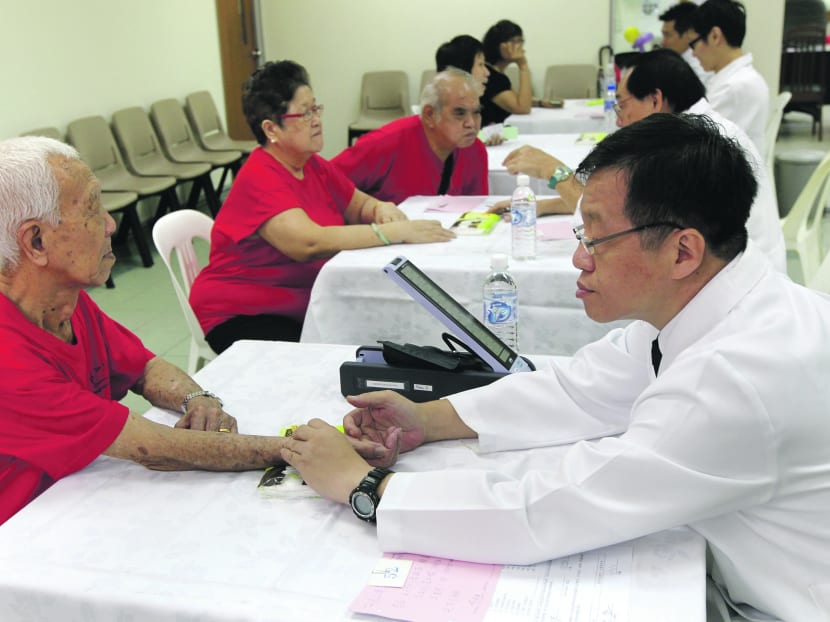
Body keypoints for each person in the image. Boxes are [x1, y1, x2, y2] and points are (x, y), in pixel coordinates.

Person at [280, 114, 830, 622]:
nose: (578, 257)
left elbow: (550, 510)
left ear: (683, 252)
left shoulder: (735, 379)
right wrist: (431, 417)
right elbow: (583, 389)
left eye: (596, 237)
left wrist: (367, 487)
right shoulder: (720, 301)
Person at [0, 136, 390, 525]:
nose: (109, 223)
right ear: (36, 241)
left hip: (73, 493)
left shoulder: (62, 299)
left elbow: (143, 367)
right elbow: (153, 446)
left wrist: (197, 398)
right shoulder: (9, 356)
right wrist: (302, 451)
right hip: (24, 530)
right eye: (90, 209)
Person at [189, 61, 454, 354]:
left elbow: (358, 203)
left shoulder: (311, 164)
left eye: (316, 109)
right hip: (244, 312)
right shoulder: (260, 176)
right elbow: (309, 243)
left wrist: (380, 207)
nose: (316, 120)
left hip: (300, 299)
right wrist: (390, 232)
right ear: (271, 129)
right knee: (339, 357)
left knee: (387, 331)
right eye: (304, 113)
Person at [495, 48, 786, 273]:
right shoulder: (698, 128)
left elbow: (612, 221)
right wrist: (545, 205)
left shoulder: (690, 147)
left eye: (622, 105)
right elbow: (628, 201)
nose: (619, 121)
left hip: (734, 287)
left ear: (655, 100)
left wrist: (554, 172)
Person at [331, 68, 488, 204]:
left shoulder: (475, 150)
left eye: (476, 113)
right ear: (429, 115)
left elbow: (478, 213)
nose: (471, 123)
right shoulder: (384, 143)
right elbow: (323, 184)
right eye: (459, 113)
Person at [690, 0, 768, 153]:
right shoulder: (737, 78)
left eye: (694, 43)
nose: (693, 52)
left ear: (715, 36)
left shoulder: (736, 86)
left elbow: (698, 141)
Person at [435, 34, 504, 146]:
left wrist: (494, 132)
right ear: (463, 70)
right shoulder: (439, 111)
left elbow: (511, 132)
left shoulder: (479, 102)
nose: (487, 73)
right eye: (480, 65)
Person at [480, 19, 533, 126]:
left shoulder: (497, 72)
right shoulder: (490, 76)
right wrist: (523, 65)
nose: (518, 46)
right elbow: (523, 108)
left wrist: (540, 102)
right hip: (491, 135)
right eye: (513, 41)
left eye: (520, 41)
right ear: (497, 44)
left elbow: (514, 97)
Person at [658, 2, 713, 86]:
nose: (663, 42)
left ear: (689, 34)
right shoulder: (678, 62)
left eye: (667, 35)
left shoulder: (700, 69)